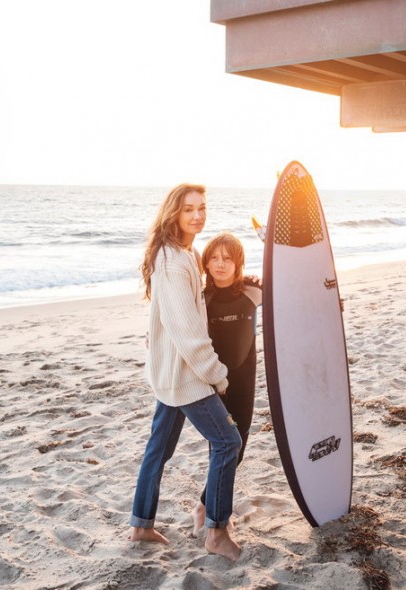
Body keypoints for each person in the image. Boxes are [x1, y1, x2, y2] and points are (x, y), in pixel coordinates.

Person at [129, 183, 242, 562]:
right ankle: (216, 531)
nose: (197, 216)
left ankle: (141, 525)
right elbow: (187, 332)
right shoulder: (174, 261)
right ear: (174, 212)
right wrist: (217, 375)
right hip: (185, 376)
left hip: (167, 373)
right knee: (228, 443)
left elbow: (175, 315)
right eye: (188, 209)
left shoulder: (182, 253)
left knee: (157, 450)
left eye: (202, 208)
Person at [192, 232, 262, 532]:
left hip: (244, 381)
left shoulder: (253, 292)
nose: (220, 264)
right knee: (221, 447)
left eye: (227, 258)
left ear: (238, 263)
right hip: (213, 382)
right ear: (206, 262)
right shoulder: (201, 298)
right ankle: (212, 511)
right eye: (214, 258)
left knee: (239, 446)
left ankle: (206, 505)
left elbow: (293, 294)